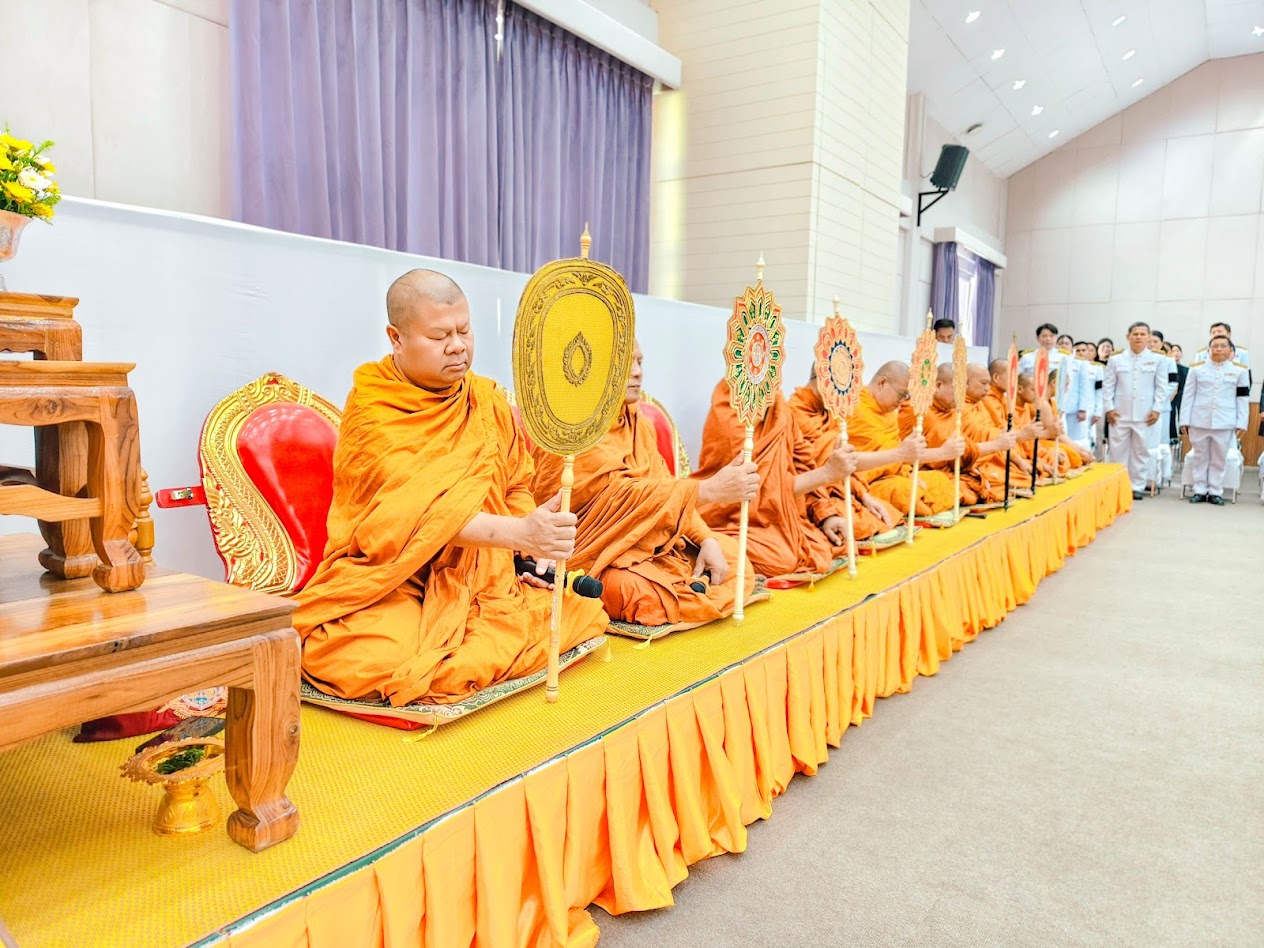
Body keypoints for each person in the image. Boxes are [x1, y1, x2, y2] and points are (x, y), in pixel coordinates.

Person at [294, 269, 610, 705]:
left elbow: (515, 482)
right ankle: (462, 658)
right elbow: (418, 516)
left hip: (484, 571)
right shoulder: (374, 410)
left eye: (464, 330)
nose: (458, 345)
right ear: (396, 338)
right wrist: (519, 533)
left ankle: (472, 650)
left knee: (581, 610)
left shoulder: (485, 400)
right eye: (440, 336)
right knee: (370, 656)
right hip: (394, 577)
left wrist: (528, 546)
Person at [529, 343, 756, 627]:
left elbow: (664, 486)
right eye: (627, 364)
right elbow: (618, 500)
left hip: (655, 543)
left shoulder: (639, 423)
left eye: (640, 362)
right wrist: (707, 491)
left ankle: (686, 591)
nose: (637, 372)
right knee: (638, 594)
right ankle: (687, 592)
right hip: (598, 554)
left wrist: (705, 539)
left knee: (734, 558)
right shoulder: (571, 429)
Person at [693, 379, 861, 579]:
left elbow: (803, 462)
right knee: (781, 560)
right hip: (732, 515)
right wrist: (826, 474)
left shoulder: (779, 406)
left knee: (829, 542)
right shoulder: (731, 409)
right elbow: (753, 488)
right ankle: (708, 544)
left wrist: (824, 514)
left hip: (780, 515)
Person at [787, 374, 905, 540]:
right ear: (822, 380)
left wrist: (864, 496)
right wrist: (900, 454)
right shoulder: (794, 414)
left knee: (885, 511)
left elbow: (844, 463)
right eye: (841, 388)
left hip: (837, 488)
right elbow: (804, 468)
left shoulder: (830, 414)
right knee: (858, 523)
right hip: (809, 495)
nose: (845, 397)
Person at [848, 361, 960, 516]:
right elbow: (848, 460)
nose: (903, 401)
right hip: (863, 482)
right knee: (906, 492)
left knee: (940, 481)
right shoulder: (853, 408)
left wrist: (908, 473)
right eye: (901, 394)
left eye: (907, 396)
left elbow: (897, 452)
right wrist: (941, 453)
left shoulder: (890, 413)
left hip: (891, 475)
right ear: (882, 383)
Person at [898, 363, 1016, 505]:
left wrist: (972, 469)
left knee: (982, 486)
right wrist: (942, 453)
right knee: (960, 491)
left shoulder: (954, 411)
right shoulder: (916, 410)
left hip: (949, 471)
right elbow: (900, 454)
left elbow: (964, 448)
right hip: (920, 471)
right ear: (938, 385)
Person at [1179, 336, 1250, 506]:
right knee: (1199, 456)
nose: (1219, 349)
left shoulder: (1240, 371)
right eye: (1215, 346)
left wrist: (1242, 422)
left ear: (1231, 350)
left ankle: (1215, 491)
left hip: (1225, 421)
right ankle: (1199, 490)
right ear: (1208, 350)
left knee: (1219, 458)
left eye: (1223, 346)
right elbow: (1188, 396)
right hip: (1199, 420)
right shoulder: (1196, 370)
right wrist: (1184, 420)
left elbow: (1242, 399)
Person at [1103, 321, 1168, 501]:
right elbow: (1108, 386)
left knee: (1141, 452)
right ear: (1128, 336)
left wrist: (1157, 409)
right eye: (1135, 334)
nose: (1138, 337)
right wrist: (1109, 409)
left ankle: (1136, 486)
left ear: (1148, 337)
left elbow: (1161, 387)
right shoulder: (1116, 359)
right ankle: (1118, 485)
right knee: (1117, 452)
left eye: (1142, 334)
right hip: (1119, 414)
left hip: (1145, 415)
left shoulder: (1158, 359)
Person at [1144, 330, 1180, 489]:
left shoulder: (1168, 361)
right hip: (1141, 407)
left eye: (1155, 342)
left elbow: (1172, 385)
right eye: (1149, 341)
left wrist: (1157, 399)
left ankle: (1161, 478)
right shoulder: (1141, 359)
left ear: (1162, 344)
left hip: (1161, 408)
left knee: (1160, 444)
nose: (1152, 344)